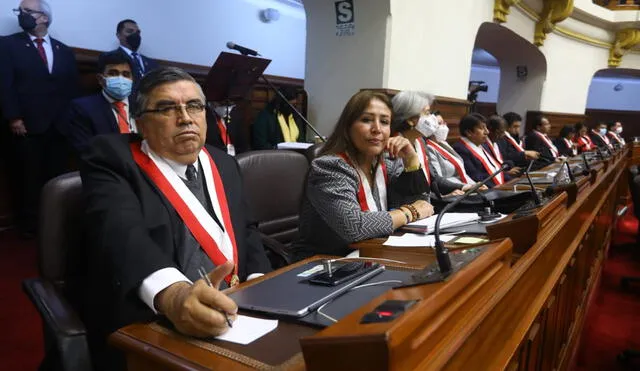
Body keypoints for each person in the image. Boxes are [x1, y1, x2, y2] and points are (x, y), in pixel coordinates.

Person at [80, 67, 271, 371]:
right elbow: (122, 234)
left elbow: (247, 229)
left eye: (194, 106)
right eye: (167, 108)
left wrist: (261, 285)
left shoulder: (223, 162)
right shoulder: (111, 158)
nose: (185, 117)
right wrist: (173, 296)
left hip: (237, 310)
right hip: (158, 318)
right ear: (140, 123)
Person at [291, 90, 433, 261]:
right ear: (348, 126)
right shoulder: (329, 167)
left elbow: (424, 205)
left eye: (385, 122)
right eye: (366, 120)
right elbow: (355, 227)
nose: (377, 129)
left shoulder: (387, 162)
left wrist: (411, 162)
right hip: (326, 263)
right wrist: (410, 212)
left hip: (374, 253)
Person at [0, 0, 78, 236]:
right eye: (19, 11)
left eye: (26, 11)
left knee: (56, 178)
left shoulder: (63, 50)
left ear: (43, 17)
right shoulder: (8, 45)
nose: (21, 15)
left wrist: (72, 122)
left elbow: (71, 89)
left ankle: (54, 224)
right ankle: (30, 227)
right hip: (26, 126)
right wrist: (14, 117)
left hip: (60, 127)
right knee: (27, 178)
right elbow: (5, 84)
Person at [390, 90, 473, 197]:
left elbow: (433, 178)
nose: (433, 118)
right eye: (427, 113)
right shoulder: (394, 146)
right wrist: (441, 198)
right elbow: (403, 191)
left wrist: (464, 187)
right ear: (411, 119)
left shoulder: (420, 142)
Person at [66, 52, 135, 153]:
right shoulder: (82, 108)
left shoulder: (142, 106)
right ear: (100, 79)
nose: (121, 79)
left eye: (126, 74)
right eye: (113, 73)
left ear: (132, 79)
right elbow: (86, 150)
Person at [425, 111, 480, 189]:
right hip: (452, 190)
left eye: (444, 122)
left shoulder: (444, 144)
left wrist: (475, 185)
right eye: (440, 123)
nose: (444, 126)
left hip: (464, 187)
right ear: (431, 127)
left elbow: (462, 173)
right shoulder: (429, 148)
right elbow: (438, 180)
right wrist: (466, 187)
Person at [452, 114, 506, 188]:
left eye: (486, 127)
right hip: (485, 190)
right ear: (469, 132)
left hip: (498, 188)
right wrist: (500, 187)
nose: (487, 132)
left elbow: (496, 168)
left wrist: (513, 181)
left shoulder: (484, 145)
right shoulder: (460, 149)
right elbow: (475, 176)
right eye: (482, 128)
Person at [99, 19, 159, 85]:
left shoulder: (152, 63)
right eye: (129, 31)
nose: (135, 35)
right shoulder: (108, 57)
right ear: (118, 35)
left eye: (138, 32)